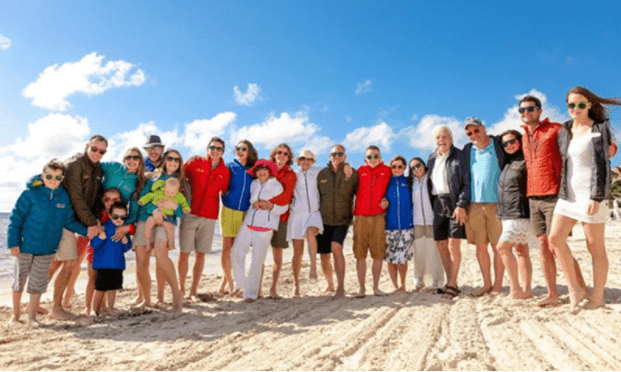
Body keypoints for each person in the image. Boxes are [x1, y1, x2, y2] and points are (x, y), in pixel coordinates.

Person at [549, 86, 619, 309]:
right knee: (555, 240)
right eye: (571, 105)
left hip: (591, 196)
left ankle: (597, 297)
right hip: (568, 195)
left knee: (595, 248)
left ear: (590, 105)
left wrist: (597, 197)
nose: (575, 109)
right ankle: (575, 289)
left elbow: (602, 165)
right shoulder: (565, 130)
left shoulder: (599, 129)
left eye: (581, 104)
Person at [519, 94, 586, 307]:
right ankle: (552, 294)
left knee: (557, 244)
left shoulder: (555, 129)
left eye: (530, 109)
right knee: (542, 246)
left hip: (555, 194)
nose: (526, 113)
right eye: (522, 110)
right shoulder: (523, 137)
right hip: (533, 196)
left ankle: (580, 287)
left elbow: (579, 144)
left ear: (539, 111)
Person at [7, 160, 91, 326]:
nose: (53, 180)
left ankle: (32, 317)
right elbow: (15, 219)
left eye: (58, 177)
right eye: (49, 176)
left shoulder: (63, 197)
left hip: (47, 249)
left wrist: (87, 231)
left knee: (38, 284)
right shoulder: (30, 193)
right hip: (24, 246)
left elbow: (69, 222)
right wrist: (12, 243)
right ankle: (15, 317)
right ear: (42, 175)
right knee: (19, 281)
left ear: (62, 178)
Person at [49, 135, 106, 320]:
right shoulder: (75, 165)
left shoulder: (97, 168)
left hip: (81, 221)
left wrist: (96, 220)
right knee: (63, 262)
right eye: (94, 149)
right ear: (87, 146)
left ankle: (54, 305)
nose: (98, 153)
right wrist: (91, 223)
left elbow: (97, 197)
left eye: (102, 151)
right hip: (64, 218)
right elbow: (76, 197)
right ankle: (54, 307)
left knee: (67, 261)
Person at [134, 149, 187, 310]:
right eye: (170, 158)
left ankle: (176, 294)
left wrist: (175, 206)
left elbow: (183, 210)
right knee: (141, 259)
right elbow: (142, 198)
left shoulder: (181, 182)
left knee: (160, 253)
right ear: (165, 160)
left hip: (167, 220)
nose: (172, 162)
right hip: (145, 218)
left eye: (176, 160)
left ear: (179, 164)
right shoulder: (153, 178)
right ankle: (147, 300)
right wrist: (153, 210)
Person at [180, 137, 231, 299]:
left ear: (223, 152)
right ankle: (181, 290)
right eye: (212, 147)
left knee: (200, 254)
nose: (215, 151)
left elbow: (226, 192)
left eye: (219, 148)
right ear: (207, 148)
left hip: (209, 217)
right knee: (184, 253)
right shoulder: (195, 162)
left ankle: (193, 291)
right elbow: (177, 177)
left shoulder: (225, 172)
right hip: (190, 214)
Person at [231, 160, 289, 302]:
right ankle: (242, 284)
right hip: (248, 223)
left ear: (269, 172)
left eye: (265, 170)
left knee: (257, 261)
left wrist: (271, 207)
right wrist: (254, 204)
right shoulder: (254, 184)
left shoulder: (277, 186)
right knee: (236, 252)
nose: (261, 172)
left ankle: (250, 294)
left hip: (265, 227)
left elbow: (284, 207)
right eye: (259, 170)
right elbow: (251, 201)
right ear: (256, 172)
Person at [462, 117, 506, 296]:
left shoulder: (498, 145)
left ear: (483, 128)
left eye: (476, 131)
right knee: (481, 247)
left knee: (498, 247)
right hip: (474, 205)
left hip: (496, 204)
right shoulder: (467, 151)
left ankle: (498, 284)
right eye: (469, 133)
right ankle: (487, 283)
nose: (474, 135)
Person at [427, 125, 470, 299]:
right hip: (438, 203)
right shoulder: (431, 158)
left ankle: (452, 283)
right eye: (437, 137)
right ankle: (451, 281)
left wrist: (461, 204)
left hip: (454, 202)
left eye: (444, 137)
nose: (441, 140)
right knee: (441, 244)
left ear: (451, 138)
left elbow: (467, 183)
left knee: (453, 244)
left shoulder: (459, 156)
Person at [316, 144, 358, 298]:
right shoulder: (321, 174)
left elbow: (363, 193)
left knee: (336, 248)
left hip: (342, 220)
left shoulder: (352, 174)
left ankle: (341, 287)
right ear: (329, 157)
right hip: (323, 220)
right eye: (334, 154)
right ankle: (330, 284)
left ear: (345, 157)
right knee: (324, 256)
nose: (337, 157)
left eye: (340, 154)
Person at [496, 130, 533, 299]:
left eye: (512, 141)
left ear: (520, 140)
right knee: (521, 250)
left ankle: (515, 289)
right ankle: (526, 290)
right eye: (505, 144)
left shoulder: (526, 160)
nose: (508, 145)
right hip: (506, 213)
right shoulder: (507, 162)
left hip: (520, 212)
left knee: (503, 247)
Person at [219, 140, 258, 295]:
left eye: (244, 149)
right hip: (229, 209)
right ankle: (230, 282)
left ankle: (229, 280)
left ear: (249, 151)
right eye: (238, 148)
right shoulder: (230, 166)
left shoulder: (253, 170)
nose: (240, 151)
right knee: (226, 248)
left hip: (244, 212)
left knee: (237, 250)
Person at [353, 145, 391, 297]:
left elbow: (393, 189)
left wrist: (387, 201)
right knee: (360, 254)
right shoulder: (359, 171)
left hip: (378, 217)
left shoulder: (387, 171)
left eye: (376, 156)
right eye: (370, 157)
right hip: (360, 217)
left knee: (378, 254)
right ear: (365, 159)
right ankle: (362, 289)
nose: (373, 159)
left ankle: (376, 288)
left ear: (380, 158)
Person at [288, 149, 323, 297]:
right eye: (303, 159)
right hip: (297, 215)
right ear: (298, 161)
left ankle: (313, 267)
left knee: (310, 232)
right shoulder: (293, 175)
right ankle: (296, 286)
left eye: (309, 159)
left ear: (313, 161)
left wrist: (345, 166)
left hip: (314, 213)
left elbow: (335, 167)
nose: (305, 161)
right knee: (298, 253)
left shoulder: (318, 171)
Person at [265, 143, 297, 299]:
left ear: (288, 157)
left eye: (285, 154)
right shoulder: (265, 169)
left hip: (281, 218)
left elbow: (286, 196)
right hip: (262, 218)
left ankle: (273, 289)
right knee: (260, 253)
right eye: (279, 152)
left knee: (277, 255)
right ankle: (256, 289)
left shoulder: (291, 174)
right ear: (274, 154)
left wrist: (267, 203)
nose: (281, 156)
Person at [83, 188, 122, 316]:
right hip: (96, 248)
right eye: (107, 199)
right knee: (93, 278)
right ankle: (88, 307)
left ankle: (103, 305)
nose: (111, 202)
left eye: (115, 199)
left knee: (105, 279)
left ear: (120, 200)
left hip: (110, 253)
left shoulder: (119, 214)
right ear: (102, 200)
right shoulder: (98, 213)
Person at [90, 202, 132, 316]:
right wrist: (100, 238)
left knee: (113, 288)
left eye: (123, 217)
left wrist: (125, 241)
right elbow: (93, 244)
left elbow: (126, 248)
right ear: (109, 215)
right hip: (103, 264)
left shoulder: (123, 231)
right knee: (100, 288)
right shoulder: (103, 228)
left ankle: (111, 308)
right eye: (115, 216)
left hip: (117, 264)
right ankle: (94, 310)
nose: (119, 219)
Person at [409, 157, 445, 291]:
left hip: (431, 220)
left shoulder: (431, 178)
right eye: (413, 168)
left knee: (433, 251)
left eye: (418, 165)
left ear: (423, 165)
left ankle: (437, 281)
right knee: (419, 252)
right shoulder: (411, 183)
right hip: (417, 222)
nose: (416, 169)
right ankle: (418, 281)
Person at [383, 155, 414, 293]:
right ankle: (394, 286)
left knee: (402, 258)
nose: (396, 169)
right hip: (389, 225)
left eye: (400, 167)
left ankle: (403, 285)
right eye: (394, 166)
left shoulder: (409, 182)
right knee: (391, 257)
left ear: (404, 168)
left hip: (407, 226)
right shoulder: (386, 183)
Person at [139, 178, 191, 251]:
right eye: (167, 192)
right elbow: (149, 196)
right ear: (164, 188)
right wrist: (142, 201)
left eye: (172, 193)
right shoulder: (158, 193)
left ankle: (171, 244)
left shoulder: (179, 196)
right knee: (148, 224)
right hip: (156, 214)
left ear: (177, 190)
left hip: (168, 215)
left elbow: (184, 203)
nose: (170, 194)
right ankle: (147, 243)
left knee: (170, 228)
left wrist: (186, 209)